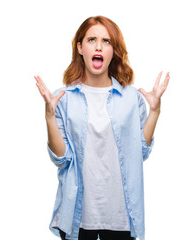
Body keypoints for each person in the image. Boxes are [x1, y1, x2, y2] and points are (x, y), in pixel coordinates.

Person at [35, 16, 169, 240]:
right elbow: (61, 158)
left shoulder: (131, 97)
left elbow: (140, 153)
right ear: (80, 47)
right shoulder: (62, 98)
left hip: (121, 217)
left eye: (106, 41)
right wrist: (49, 116)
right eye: (91, 40)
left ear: (114, 50)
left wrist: (154, 112)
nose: (99, 46)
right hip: (78, 217)